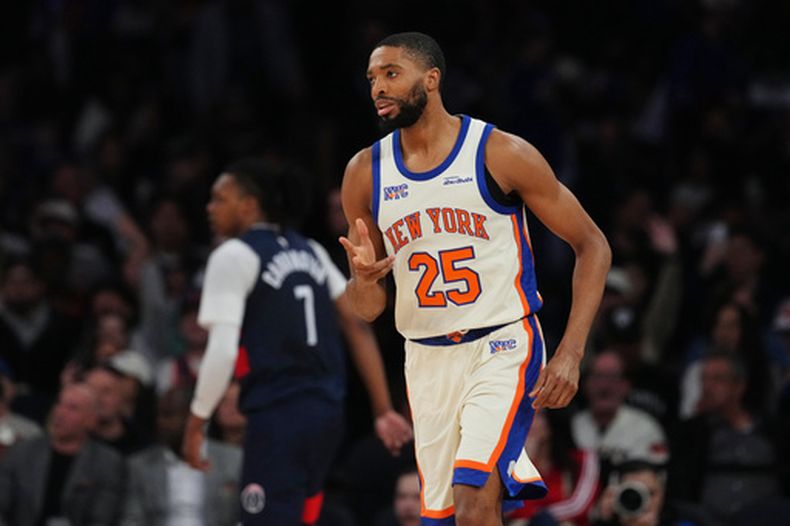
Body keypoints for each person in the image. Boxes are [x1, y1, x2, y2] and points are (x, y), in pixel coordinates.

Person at [339, 32, 611, 525]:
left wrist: (571, 352)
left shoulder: (498, 152)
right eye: (372, 78)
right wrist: (363, 280)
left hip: (501, 344)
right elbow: (368, 309)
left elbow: (592, 245)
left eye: (391, 74)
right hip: (425, 357)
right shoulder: (364, 172)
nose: (378, 87)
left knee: (473, 494)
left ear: (432, 79)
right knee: (449, 516)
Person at [181, 159, 412, 525]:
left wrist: (196, 422)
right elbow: (356, 324)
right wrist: (382, 408)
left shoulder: (233, 255)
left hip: (278, 412)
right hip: (327, 415)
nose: (210, 208)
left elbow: (222, 349)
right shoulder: (310, 250)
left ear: (248, 205)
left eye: (220, 199)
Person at [0, 382, 126, 526]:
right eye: (59, 404)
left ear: (91, 420)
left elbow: (102, 519)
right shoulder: (23, 451)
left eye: (72, 408)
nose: (60, 413)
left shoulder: (107, 463)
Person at [122, 386, 242, 526]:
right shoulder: (141, 466)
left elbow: (244, 516)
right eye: (159, 415)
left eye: (169, 415)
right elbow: (132, 519)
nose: (161, 423)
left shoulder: (233, 460)